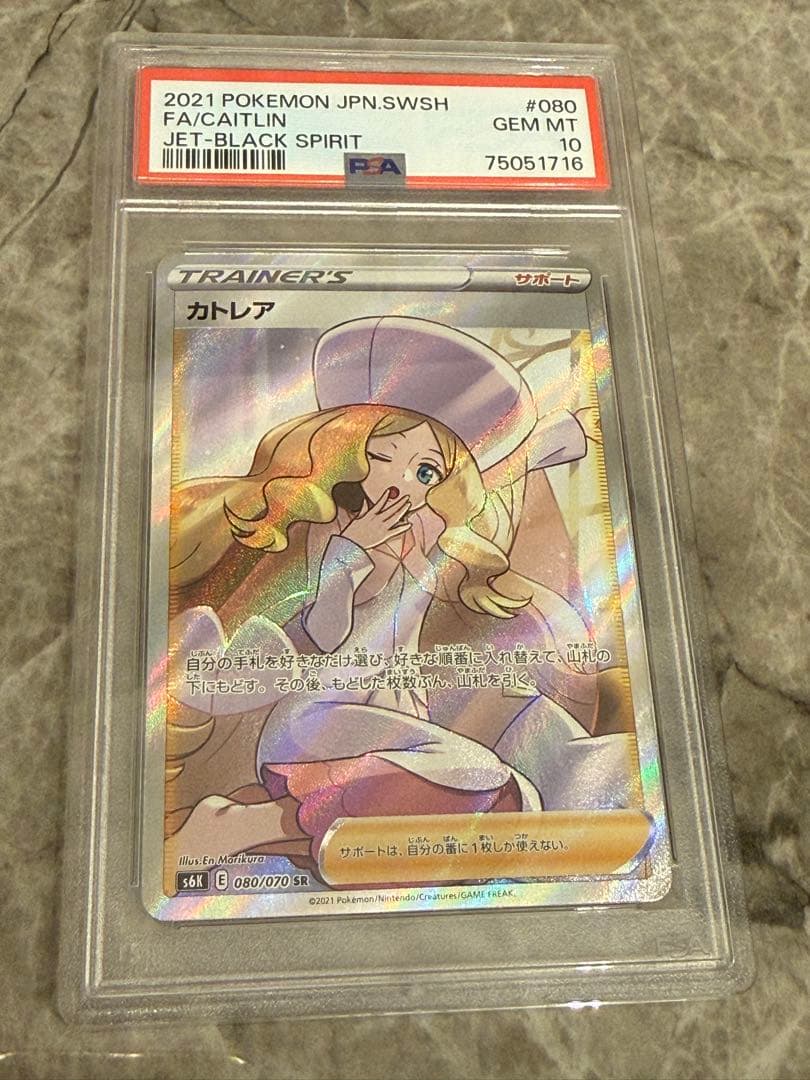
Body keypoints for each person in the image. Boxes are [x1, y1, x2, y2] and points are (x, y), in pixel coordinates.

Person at [164, 317, 632, 869]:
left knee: (537, 734)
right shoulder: (332, 535)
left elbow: (497, 473)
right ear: (346, 452)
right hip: (321, 723)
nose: (407, 486)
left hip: (404, 714)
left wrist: (559, 436)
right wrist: (350, 555)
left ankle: (585, 791)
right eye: (387, 458)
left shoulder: (423, 540)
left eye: (428, 473)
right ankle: (249, 824)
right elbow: (323, 634)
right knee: (475, 776)